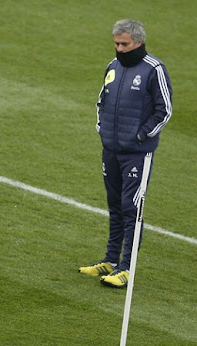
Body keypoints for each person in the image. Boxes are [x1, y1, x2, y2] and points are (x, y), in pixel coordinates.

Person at [79, 19, 172, 288]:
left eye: (124, 44)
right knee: (115, 206)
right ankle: (110, 260)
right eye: (116, 44)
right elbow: (102, 101)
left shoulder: (154, 69)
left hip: (136, 153)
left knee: (131, 208)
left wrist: (140, 135)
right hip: (111, 149)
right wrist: (103, 130)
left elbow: (163, 110)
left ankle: (126, 267)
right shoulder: (113, 66)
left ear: (138, 42)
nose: (119, 49)